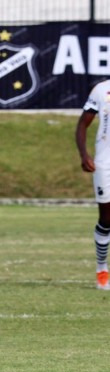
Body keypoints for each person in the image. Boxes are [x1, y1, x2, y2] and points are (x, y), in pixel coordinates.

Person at [76, 79, 110, 290]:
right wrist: (84, 154)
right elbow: (82, 124)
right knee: (107, 219)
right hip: (105, 163)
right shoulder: (101, 90)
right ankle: (101, 269)